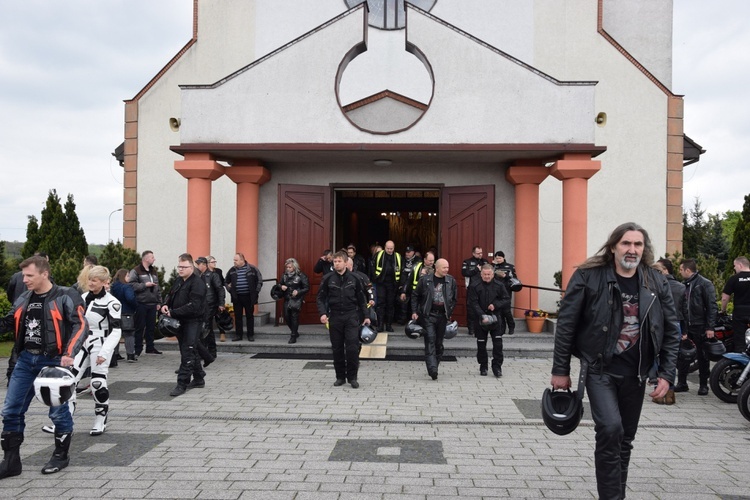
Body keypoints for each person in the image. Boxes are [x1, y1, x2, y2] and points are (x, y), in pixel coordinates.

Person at [550, 222, 680, 500]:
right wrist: (560, 370)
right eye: (626, 243)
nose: (632, 250)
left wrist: (667, 375)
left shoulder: (657, 281)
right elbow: (566, 325)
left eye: (638, 245)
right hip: (599, 369)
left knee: (624, 440)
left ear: (644, 250)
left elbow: (671, 330)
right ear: (613, 247)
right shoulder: (588, 275)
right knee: (610, 429)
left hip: (637, 373)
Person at [0, 255, 89, 478]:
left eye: (29, 275)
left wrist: (69, 354)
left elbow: (81, 325)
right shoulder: (23, 297)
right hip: (24, 361)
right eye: (23, 275)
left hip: (54, 362)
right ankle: (11, 463)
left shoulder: (67, 295)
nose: (25, 279)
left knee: (58, 413)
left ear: (44, 274)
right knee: (11, 410)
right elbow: (9, 322)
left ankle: (61, 456)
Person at [69, 266, 122, 436]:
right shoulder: (83, 297)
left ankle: (100, 420)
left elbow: (116, 331)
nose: (91, 283)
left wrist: (104, 353)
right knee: (69, 381)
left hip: (100, 343)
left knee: (97, 382)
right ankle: (64, 421)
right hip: (81, 342)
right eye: (90, 279)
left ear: (105, 282)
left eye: (95, 280)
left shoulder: (113, 303)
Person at [316, 251, 371, 389]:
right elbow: (320, 298)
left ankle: (352, 377)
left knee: (352, 348)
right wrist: (322, 313)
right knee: (337, 348)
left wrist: (366, 316)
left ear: (346, 263)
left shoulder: (354, 278)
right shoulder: (328, 278)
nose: (336, 264)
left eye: (339, 261)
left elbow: (361, 298)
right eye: (335, 261)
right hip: (335, 316)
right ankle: (340, 377)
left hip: (351, 316)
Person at [161, 254, 207, 397]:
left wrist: (173, 313)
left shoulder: (197, 283)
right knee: (188, 349)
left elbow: (194, 306)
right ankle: (199, 378)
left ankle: (182, 383)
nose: (180, 269)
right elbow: (170, 295)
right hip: (180, 320)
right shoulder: (178, 281)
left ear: (191, 267)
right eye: (179, 266)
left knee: (188, 350)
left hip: (193, 321)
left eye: (184, 267)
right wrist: (165, 305)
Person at [675, 258, 718, 395]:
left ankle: (703, 385)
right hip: (686, 325)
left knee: (702, 355)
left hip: (700, 325)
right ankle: (682, 382)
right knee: (683, 354)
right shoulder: (684, 285)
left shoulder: (704, 284)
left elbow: (711, 306)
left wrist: (710, 327)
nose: (680, 272)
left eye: (681, 270)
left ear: (688, 270)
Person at [411, 258, 457, 381]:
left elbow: (454, 299)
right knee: (430, 340)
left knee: (439, 343)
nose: (446, 270)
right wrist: (415, 311)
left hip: (443, 316)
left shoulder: (451, 281)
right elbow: (415, 295)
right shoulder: (425, 280)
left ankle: (435, 364)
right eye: (444, 267)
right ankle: (432, 370)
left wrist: (450, 311)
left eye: (447, 267)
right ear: (437, 268)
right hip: (428, 315)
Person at [651, 259, 685, 405]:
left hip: (657, 324)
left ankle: (658, 391)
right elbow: (686, 310)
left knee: (655, 356)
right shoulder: (681, 287)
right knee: (670, 357)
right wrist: (685, 330)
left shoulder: (653, 286)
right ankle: (669, 391)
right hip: (676, 323)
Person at [467, 264, 510, 377]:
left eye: (489, 274)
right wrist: (482, 315)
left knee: (498, 345)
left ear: (493, 274)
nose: (487, 276)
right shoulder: (474, 285)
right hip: (480, 319)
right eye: (484, 274)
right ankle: (483, 366)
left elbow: (506, 299)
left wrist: (495, 305)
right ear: (481, 274)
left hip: (496, 318)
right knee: (481, 345)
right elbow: (473, 303)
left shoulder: (499, 285)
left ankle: (497, 367)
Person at [128, 251, 162, 355]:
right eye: (152, 257)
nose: (154, 259)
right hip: (141, 303)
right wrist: (144, 285)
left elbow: (158, 288)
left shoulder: (153, 271)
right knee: (140, 327)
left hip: (152, 303)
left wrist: (159, 302)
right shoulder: (136, 271)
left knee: (151, 327)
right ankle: (138, 349)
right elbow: (131, 285)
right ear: (146, 259)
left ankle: (150, 348)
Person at [225, 253, 263, 342]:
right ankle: (238, 335)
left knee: (250, 316)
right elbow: (226, 281)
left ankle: (250, 335)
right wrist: (230, 289)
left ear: (242, 260)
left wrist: (256, 291)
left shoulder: (252, 269)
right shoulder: (232, 270)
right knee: (238, 317)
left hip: (249, 297)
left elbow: (259, 280)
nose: (234, 262)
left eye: (236, 260)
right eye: (234, 260)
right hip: (236, 297)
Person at [195, 257, 225, 357]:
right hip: (202, 306)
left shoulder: (212, 275)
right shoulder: (199, 276)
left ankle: (207, 352)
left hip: (210, 305)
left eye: (198, 264)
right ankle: (210, 351)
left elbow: (220, 289)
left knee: (206, 327)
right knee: (207, 329)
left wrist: (221, 303)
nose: (197, 266)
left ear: (204, 264)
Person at [371, 240, 402, 332]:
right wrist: (375, 278)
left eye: (391, 248)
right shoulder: (379, 255)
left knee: (390, 305)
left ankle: (389, 325)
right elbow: (372, 267)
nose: (389, 250)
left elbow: (401, 270)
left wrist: (400, 284)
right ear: (385, 247)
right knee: (380, 304)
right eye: (388, 248)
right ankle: (380, 325)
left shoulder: (398, 256)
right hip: (381, 283)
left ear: (394, 248)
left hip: (392, 284)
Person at [721, 256, 750, 353]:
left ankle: (740, 364)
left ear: (740, 265)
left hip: (739, 313)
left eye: (734, 266)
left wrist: (723, 310)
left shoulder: (734, 279)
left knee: (740, 340)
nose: (734, 268)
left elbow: (725, 298)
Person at [279, 258, 310, 344]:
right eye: (287, 267)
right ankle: (295, 331)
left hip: (296, 299)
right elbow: (279, 284)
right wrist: (281, 287)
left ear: (294, 267)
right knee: (286, 316)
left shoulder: (301, 275)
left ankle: (293, 336)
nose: (288, 269)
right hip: (287, 298)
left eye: (290, 267)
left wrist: (298, 292)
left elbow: (307, 287)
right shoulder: (284, 275)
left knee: (294, 316)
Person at [110, 269, 139, 363]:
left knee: (116, 334)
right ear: (123, 276)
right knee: (129, 334)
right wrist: (135, 305)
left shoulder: (113, 286)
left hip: (115, 313)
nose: (129, 278)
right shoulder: (127, 287)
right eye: (127, 275)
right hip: (127, 312)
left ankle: (115, 354)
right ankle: (130, 355)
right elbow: (130, 298)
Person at [461, 246, 487, 337]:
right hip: (472, 289)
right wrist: (476, 269)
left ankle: (482, 327)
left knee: (483, 308)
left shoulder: (485, 262)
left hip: (484, 289)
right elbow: (464, 273)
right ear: (473, 253)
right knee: (471, 310)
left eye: (481, 253)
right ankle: (471, 329)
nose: (480, 254)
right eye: (478, 253)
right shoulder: (467, 262)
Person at [491, 251, 518, 335]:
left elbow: (515, 278)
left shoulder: (510, 267)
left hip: (506, 291)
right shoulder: (494, 267)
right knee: (499, 311)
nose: (498, 260)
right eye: (497, 258)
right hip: (496, 291)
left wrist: (505, 276)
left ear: (503, 258)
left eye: (500, 258)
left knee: (507, 311)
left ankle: (511, 327)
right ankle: (502, 329)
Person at [397, 245, 422, 324]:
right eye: (406, 252)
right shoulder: (402, 260)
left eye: (409, 252)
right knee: (403, 303)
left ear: (413, 252)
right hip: (404, 285)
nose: (407, 254)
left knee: (415, 304)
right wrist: (401, 285)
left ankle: (414, 321)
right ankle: (402, 320)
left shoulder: (418, 261)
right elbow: (401, 273)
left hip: (415, 287)